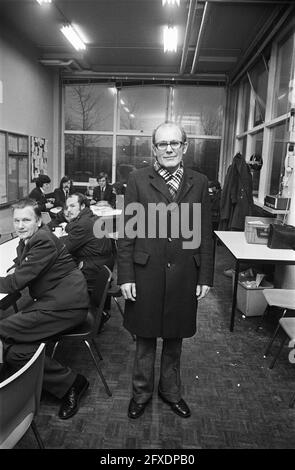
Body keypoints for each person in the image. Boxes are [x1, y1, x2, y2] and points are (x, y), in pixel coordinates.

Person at [117, 121, 214, 419]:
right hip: (145, 273)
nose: (169, 148)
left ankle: (171, 391)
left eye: (175, 143)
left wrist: (205, 275)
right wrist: (126, 276)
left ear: (184, 147)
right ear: (154, 148)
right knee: (144, 339)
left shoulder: (199, 182)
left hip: (185, 273)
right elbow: (127, 232)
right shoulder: (137, 179)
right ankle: (141, 393)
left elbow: (205, 231)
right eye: (162, 143)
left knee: (175, 338)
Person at [0, 198, 90, 420]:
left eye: (26, 220)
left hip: (66, 305)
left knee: (3, 330)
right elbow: (22, 266)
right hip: (54, 300)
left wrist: (16, 272)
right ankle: (72, 383)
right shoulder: (30, 240)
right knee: (16, 352)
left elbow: (15, 284)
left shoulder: (42, 240)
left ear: (38, 221)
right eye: (17, 220)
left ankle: (6, 387)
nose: (20, 225)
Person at [61, 193, 114, 290]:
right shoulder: (94, 217)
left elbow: (64, 249)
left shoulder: (82, 224)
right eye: (67, 207)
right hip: (102, 269)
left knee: (56, 276)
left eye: (72, 206)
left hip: (91, 273)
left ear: (83, 206)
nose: (68, 210)